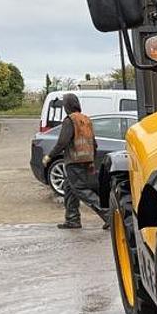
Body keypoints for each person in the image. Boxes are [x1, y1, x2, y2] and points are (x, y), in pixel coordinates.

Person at [41, 93, 110, 230]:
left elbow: (62, 142)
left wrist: (49, 156)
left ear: (67, 106)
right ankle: (72, 219)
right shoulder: (86, 119)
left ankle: (108, 215)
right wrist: (92, 161)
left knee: (81, 190)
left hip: (74, 160)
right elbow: (93, 143)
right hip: (85, 159)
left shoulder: (70, 120)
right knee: (69, 188)